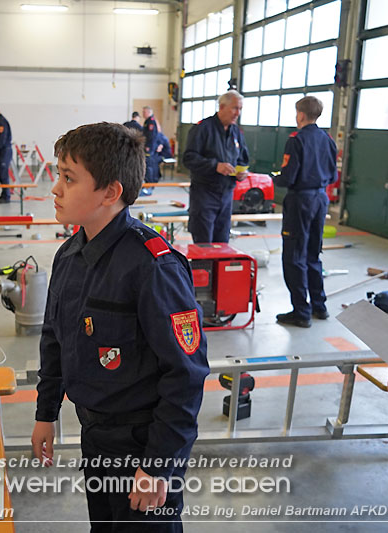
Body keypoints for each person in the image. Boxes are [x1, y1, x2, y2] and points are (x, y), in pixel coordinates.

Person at [31, 122, 209, 531]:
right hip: (95, 437)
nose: (56, 189)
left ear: (110, 192)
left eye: (69, 178)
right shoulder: (69, 255)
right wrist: (46, 412)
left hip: (143, 444)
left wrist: (158, 466)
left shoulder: (153, 266)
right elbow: (55, 339)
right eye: (59, 175)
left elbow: (185, 375)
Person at [272, 96, 337, 329]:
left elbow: (289, 176)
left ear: (300, 114)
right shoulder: (327, 139)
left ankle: (301, 310)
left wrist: (276, 178)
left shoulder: (296, 140)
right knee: (312, 253)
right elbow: (333, 175)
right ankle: (319, 305)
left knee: (294, 255)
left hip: (300, 200)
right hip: (320, 198)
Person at [182, 90, 250, 243]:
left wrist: (242, 172)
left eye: (240, 109)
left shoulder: (236, 133)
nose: (237, 113)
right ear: (222, 107)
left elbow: (243, 159)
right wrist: (215, 166)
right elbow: (188, 158)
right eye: (234, 108)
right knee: (204, 243)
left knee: (222, 243)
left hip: (226, 195)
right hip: (205, 194)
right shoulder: (202, 129)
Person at [142, 106, 160, 192]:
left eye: (144, 112)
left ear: (149, 112)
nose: (143, 114)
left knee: (148, 165)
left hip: (149, 147)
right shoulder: (148, 121)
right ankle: (148, 183)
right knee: (147, 165)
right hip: (147, 146)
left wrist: (148, 146)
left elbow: (151, 135)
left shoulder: (151, 121)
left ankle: (150, 184)